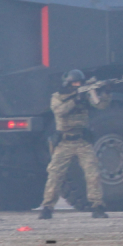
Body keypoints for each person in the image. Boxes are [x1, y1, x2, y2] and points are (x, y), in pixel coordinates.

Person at [38, 69, 111, 219]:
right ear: (68, 83)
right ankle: (47, 208)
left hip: (82, 141)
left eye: (80, 83)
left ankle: (97, 206)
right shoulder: (58, 97)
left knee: (93, 174)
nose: (78, 85)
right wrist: (75, 100)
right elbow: (60, 111)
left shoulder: (85, 96)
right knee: (55, 175)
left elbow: (101, 105)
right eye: (75, 83)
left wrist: (104, 92)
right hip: (64, 142)